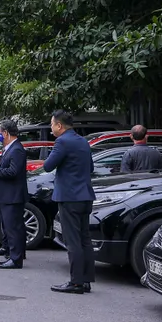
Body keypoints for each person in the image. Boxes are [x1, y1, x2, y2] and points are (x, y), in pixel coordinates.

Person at [42, 110, 96, 294]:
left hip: (69, 197)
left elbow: (48, 165)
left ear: (59, 125)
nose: (51, 128)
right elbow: (91, 167)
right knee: (84, 239)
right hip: (85, 195)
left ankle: (76, 282)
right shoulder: (83, 141)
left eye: (51, 124)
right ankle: (86, 280)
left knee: (72, 241)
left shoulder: (62, 141)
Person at [0, 119, 28, 269]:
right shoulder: (9, 148)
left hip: (12, 195)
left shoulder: (17, 149)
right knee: (9, 227)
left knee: (14, 228)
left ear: (5, 133)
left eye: (0, 133)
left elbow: (13, 172)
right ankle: (11, 252)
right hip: (6, 195)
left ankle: (16, 258)